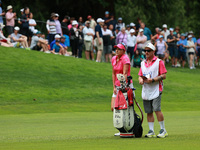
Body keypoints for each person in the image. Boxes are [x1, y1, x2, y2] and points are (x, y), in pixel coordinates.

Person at [138, 42, 168, 138]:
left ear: (153, 51)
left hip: (156, 88)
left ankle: (163, 130)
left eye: (148, 51)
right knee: (149, 111)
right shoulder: (143, 63)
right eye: (145, 50)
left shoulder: (159, 62)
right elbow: (140, 75)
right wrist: (141, 80)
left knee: (156, 109)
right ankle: (151, 131)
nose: (146, 52)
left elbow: (164, 75)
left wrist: (153, 80)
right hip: (146, 89)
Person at [111, 43, 133, 136]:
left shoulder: (125, 58)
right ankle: (121, 129)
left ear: (123, 51)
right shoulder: (113, 59)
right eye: (116, 49)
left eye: (119, 49)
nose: (117, 50)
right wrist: (114, 87)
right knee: (114, 107)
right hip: (117, 85)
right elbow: (113, 74)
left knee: (127, 107)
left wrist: (121, 87)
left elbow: (125, 74)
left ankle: (129, 128)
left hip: (126, 85)